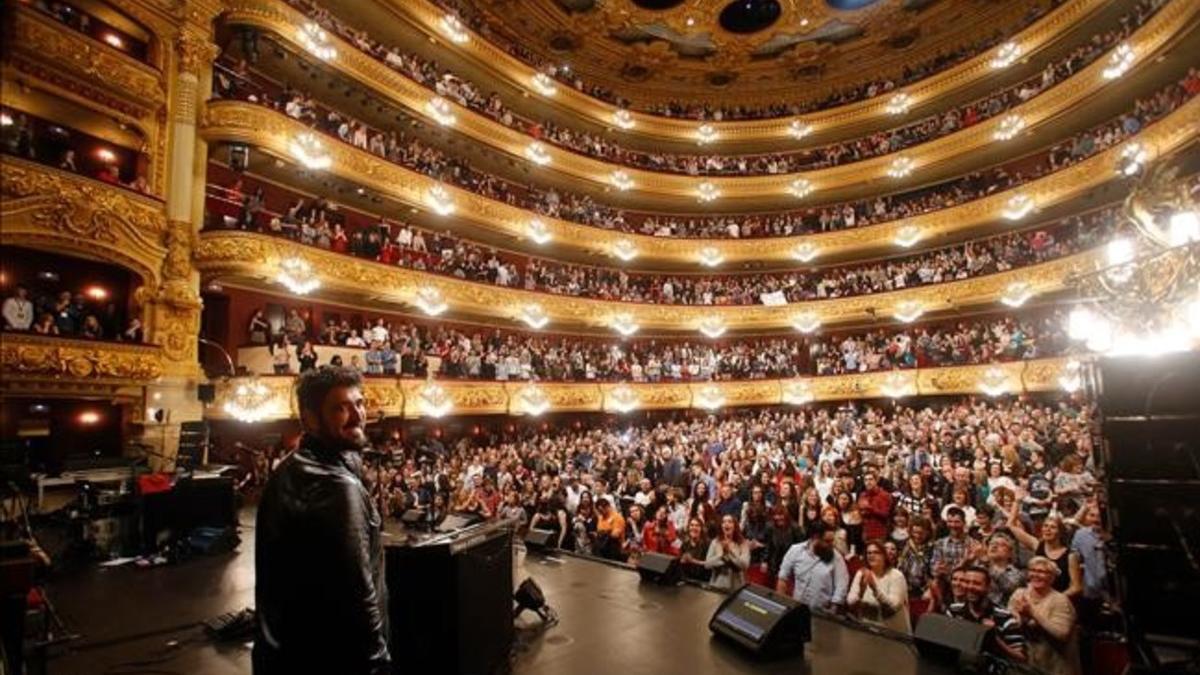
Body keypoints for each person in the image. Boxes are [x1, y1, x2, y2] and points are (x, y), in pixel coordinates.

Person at [254, 367, 390, 674]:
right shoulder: (336, 487)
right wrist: (377, 659)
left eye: (360, 403)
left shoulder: (289, 468)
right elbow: (358, 591)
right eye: (340, 407)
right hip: (335, 657)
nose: (357, 415)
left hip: (288, 654)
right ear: (310, 418)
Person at [1008, 557, 1081, 675]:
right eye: (1033, 570)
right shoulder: (1019, 594)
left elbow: (1062, 634)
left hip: (1055, 665)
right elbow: (1011, 625)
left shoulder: (1060, 601)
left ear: (1052, 578)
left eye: (1042, 572)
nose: (1036, 575)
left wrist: (1032, 613)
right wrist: (1021, 618)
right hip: (1027, 663)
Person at [946, 566, 1027, 668]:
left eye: (977, 583)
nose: (970, 587)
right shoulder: (954, 611)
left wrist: (994, 638)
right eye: (967, 582)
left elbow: (1021, 658)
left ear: (988, 587)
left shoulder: (1005, 618)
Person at [777, 521, 849, 611]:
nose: (831, 545)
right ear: (815, 538)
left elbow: (841, 586)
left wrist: (832, 610)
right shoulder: (795, 551)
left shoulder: (837, 558)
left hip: (821, 613)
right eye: (827, 541)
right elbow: (782, 578)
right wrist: (781, 604)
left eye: (832, 541)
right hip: (796, 609)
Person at [847, 540, 911, 634]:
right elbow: (850, 601)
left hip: (893, 632)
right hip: (867, 629)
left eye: (876, 552)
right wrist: (858, 594)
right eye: (869, 553)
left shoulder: (896, 576)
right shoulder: (861, 573)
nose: (871, 555)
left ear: (884, 556)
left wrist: (875, 589)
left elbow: (893, 607)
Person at [703, 514, 751, 591]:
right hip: (717, 586)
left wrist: (730, 553)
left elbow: (745, 565)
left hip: (736, 587)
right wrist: (722, 556)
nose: (726, 524)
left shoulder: (742, 543)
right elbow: (707, 564)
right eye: (724, 522)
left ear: (735, 526)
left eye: (730, 521)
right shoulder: (715, 542)